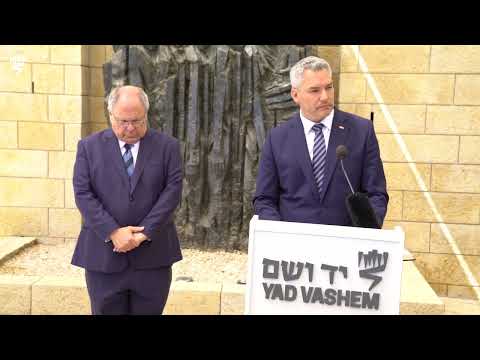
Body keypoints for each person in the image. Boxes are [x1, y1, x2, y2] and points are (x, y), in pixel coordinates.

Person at [71, 85, 183, 315]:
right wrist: (113, 232)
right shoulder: (88, 147)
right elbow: (83, 193)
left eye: (138, 121)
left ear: (146, 114)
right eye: (123, 121)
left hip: (153, 257)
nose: (130, 128)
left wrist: (143, 233)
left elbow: (172, 192)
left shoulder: (168, 147)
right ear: (110, 115)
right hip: (104, 258)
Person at [253, 56, 388, 227]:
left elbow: (376, 194)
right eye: (315, 90)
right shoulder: (277, 138)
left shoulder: (362, 131)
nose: (325, 97)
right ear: (295, 95)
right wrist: (280, 236)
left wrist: (365, 234)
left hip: (347, 243)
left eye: (329, 87)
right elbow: (265, 199)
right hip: (294, 246)